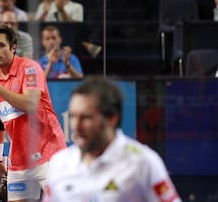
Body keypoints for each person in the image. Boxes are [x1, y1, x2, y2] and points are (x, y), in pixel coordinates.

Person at [43, 76, 182, 202]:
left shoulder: (143, 162)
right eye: (73, 116)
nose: (76, 126)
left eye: (86, 118)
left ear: (112, 118)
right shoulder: (59, 163)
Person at [0, 25, 66, 202]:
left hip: (49, 154)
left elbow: (30, 103)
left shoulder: (30, 69)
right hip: (18, 160)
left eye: (0, 45)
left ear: (13, 47)